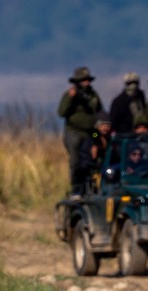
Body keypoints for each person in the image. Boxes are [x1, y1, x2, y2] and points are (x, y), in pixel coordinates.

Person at [57, 67, 103, 198]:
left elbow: (100, 114)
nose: (86, 83)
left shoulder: (94, 96)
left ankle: (91, 187)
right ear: (77, 82)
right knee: (76, 161)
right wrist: (71, 99)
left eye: (87, 80)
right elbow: (61, 112)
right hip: (74, 133)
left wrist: (97, 138)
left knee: (92, 160)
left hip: (91, 133)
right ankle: (76, 188)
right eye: (83, 81)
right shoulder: (69, 95)